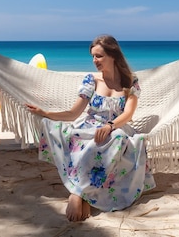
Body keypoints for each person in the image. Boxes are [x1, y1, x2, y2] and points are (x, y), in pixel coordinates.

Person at [26, 35, 156, 222]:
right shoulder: (91, 80)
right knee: (90, 143)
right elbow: (73, 113)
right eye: (93, 57)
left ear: (113, 55)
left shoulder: (131, 82)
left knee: (116, 139)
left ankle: (78, 193)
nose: (95, 61)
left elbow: (128, 114)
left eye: (99, 56)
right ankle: (82, 194)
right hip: (89, 126)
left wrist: (110, 126)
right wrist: (45, 113)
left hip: (117, 126)